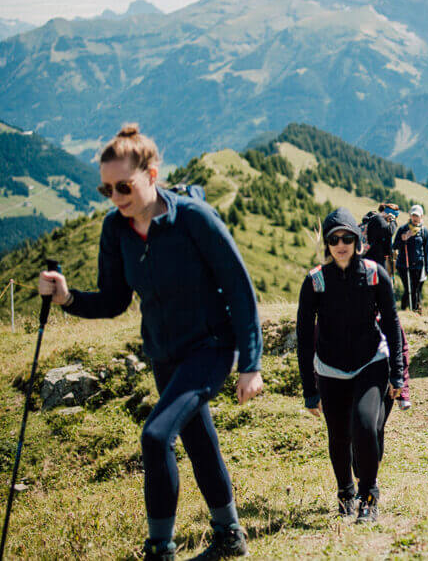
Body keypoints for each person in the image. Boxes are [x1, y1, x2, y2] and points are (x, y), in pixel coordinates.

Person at [37, 123, 262, 561]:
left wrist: (250, 364)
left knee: (156, 437)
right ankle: (229, 534)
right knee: (198, 441)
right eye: (107, 190)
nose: (116, 197)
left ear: (152, 175)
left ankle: (160, 548)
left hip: (210, 347)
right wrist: (66, 297)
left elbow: (240, 287)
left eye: (124, 186)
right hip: (163, 353)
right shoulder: (115, 230)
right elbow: (115, 300)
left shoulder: (193, 219)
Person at [296, 208, 405, 524]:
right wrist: (309, 388)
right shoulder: (315, 282)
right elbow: (304, 338)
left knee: (365, 425)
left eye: (347, 237)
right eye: (334, 239)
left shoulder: (374, 274)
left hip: (370, 362)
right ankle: (346, 493)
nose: (341, 244)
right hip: (330, 369)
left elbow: (392, 325)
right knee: (339, 436)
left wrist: (397, 372)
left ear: (357, 240)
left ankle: (368, 495)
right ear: (327, 245)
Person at [393, 204, 428, 313]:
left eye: (417, 216)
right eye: (413, 215)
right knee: (408, 288)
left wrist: (427, 268)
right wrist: (403, 239)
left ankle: (414, 311)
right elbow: (394, 246)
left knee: (415, 290)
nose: (415, 218)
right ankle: (404, 310)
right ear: (410, 215)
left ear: (421, 217)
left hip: (418, 265)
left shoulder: (423, 231)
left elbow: (426, 250)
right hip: (404, 264)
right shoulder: (403, 229)